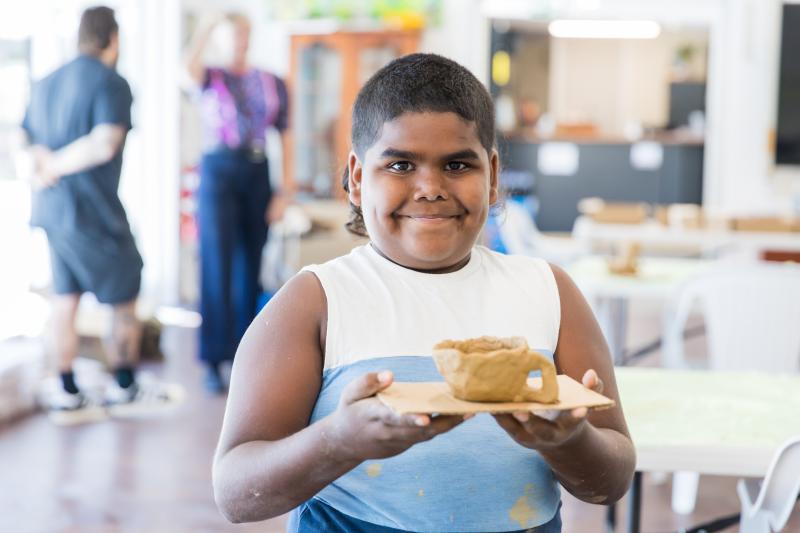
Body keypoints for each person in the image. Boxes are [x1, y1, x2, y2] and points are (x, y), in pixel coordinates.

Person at [212, 54, 635, 531]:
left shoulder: (549, 291)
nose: (430, 187)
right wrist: (339, 440)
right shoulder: (317, 302)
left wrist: (568, 440)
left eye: (457, 164)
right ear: (356, 177)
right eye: (400, 165)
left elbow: (613, 478)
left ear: (493, 176)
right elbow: (235, 493)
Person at [15, 6, 175, 424]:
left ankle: (67, 391)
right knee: (124, 292)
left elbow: (23, 136)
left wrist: (39, 161)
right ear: (114, 39)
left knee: (64, 299)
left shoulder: (46, 82)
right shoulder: (112, 82)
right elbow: (105, 144)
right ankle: (124, 386)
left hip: (51, 212)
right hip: (92, 213)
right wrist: (52, 165)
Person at [184, 12, 291, 393]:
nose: (239, 41)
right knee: (216, 263)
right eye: (233, 35)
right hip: (218, 171)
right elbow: (187, 66)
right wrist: (208, 25)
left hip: (258, 172)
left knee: (250, 266)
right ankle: (214, 359)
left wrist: (284, 190)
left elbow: (286, 137)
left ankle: (249, 356)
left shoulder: (271, 80)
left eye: (244, 34)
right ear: (222, 38)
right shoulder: (210, 76)